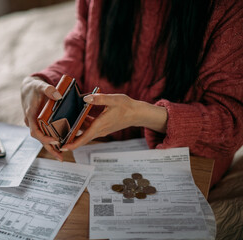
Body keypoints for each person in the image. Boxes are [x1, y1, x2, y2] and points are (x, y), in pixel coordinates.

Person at [21, 0, 243, 186]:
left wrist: (140, 114)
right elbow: (81, 45)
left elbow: (232, 123)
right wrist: (40, 82)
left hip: (185, 162)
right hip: (95, 149)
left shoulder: (230, 7)